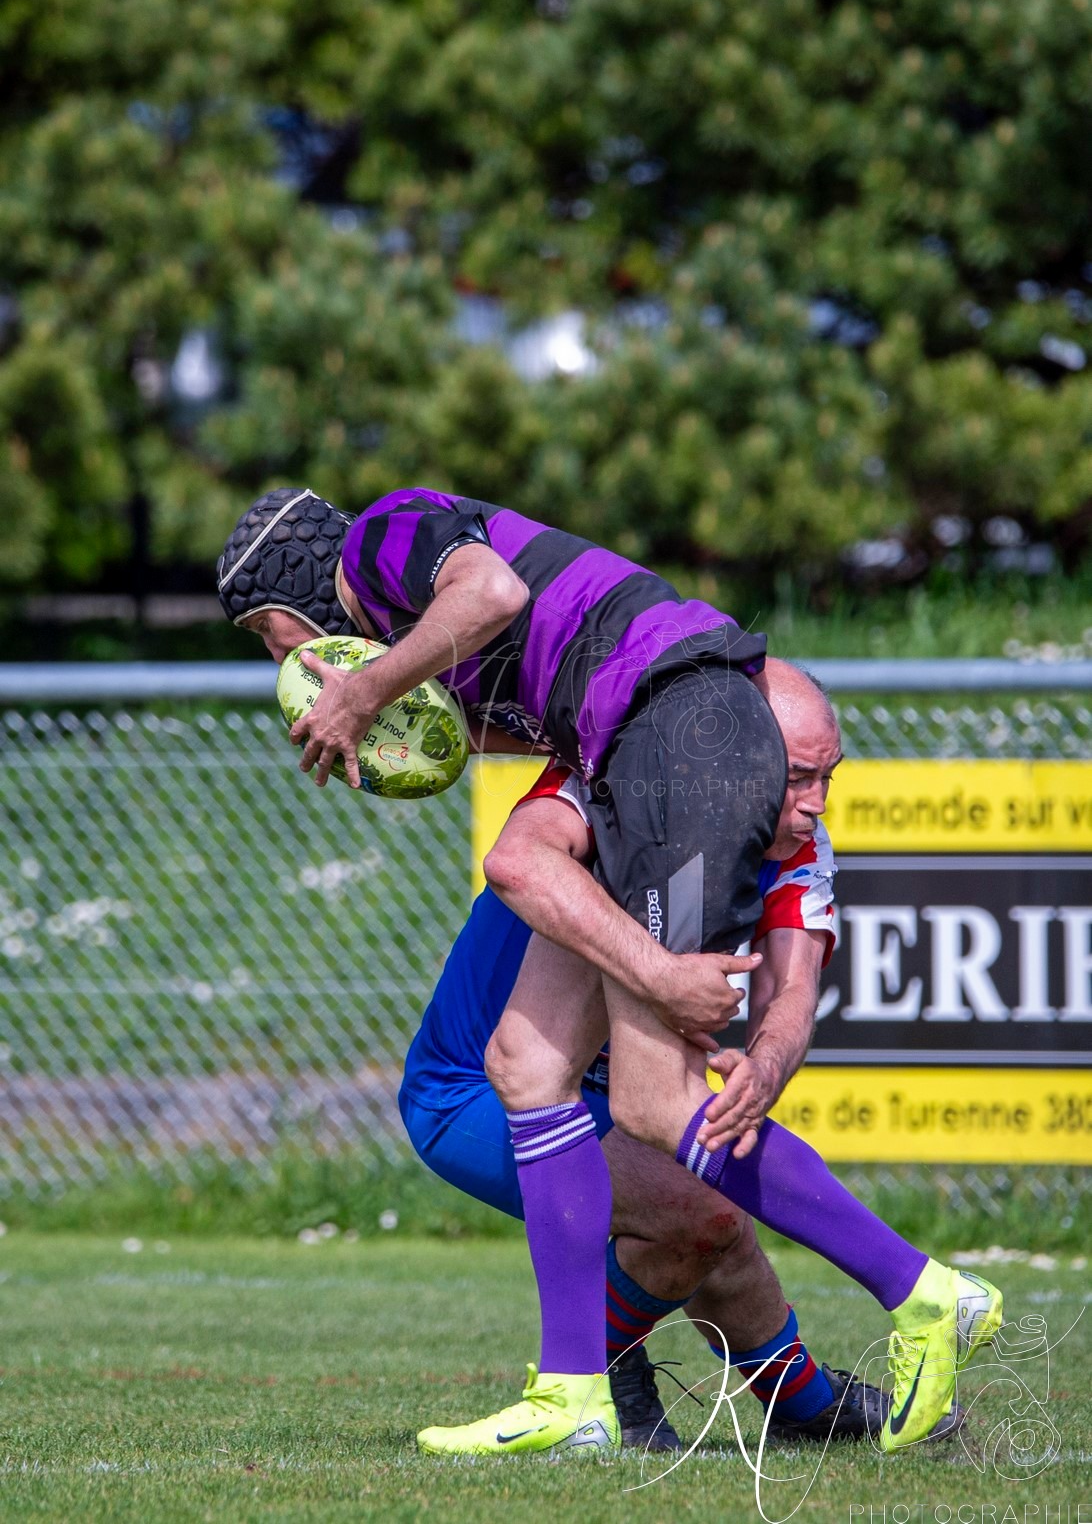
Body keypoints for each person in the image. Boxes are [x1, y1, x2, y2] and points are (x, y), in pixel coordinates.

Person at [218, 486, 1002, 1456]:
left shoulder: (385, 535)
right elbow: (504, 743)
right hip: (640, 743)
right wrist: (409, 709)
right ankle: (578, 1393)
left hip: (665, 737)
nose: (282, 660)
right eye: (801, 774)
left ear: (283, 596)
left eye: (266, 633)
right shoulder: (593, 701)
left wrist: (363, 690)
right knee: (530, 1063)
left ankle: (924, 1293)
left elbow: (493, 591)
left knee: (655, 1100)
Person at [402, 757, 961, 1453]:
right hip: (476, 1091)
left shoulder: (796, 846)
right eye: (797, 776)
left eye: (829, 776)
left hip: (602, 1086)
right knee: (701, 1215)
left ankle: (803, 1407)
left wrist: (765, 1062)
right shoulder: (617, 781)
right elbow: (515, 857)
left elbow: (792, 993)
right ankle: (604, 1375)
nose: (815, 803)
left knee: (718, 1232)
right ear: (740, 755)